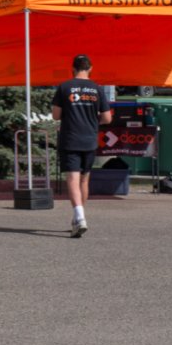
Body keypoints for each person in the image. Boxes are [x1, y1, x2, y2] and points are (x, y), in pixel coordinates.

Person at [51, 54, 112, 237]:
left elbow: (55, 115)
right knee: (84, 179)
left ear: (73, 68)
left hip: (70, 138)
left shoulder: (64, 87)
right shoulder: (97, 89)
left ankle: (79, 217)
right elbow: (107, 118)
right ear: (90, 68)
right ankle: (78, 216)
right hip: (89, 139)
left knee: (72, 179)